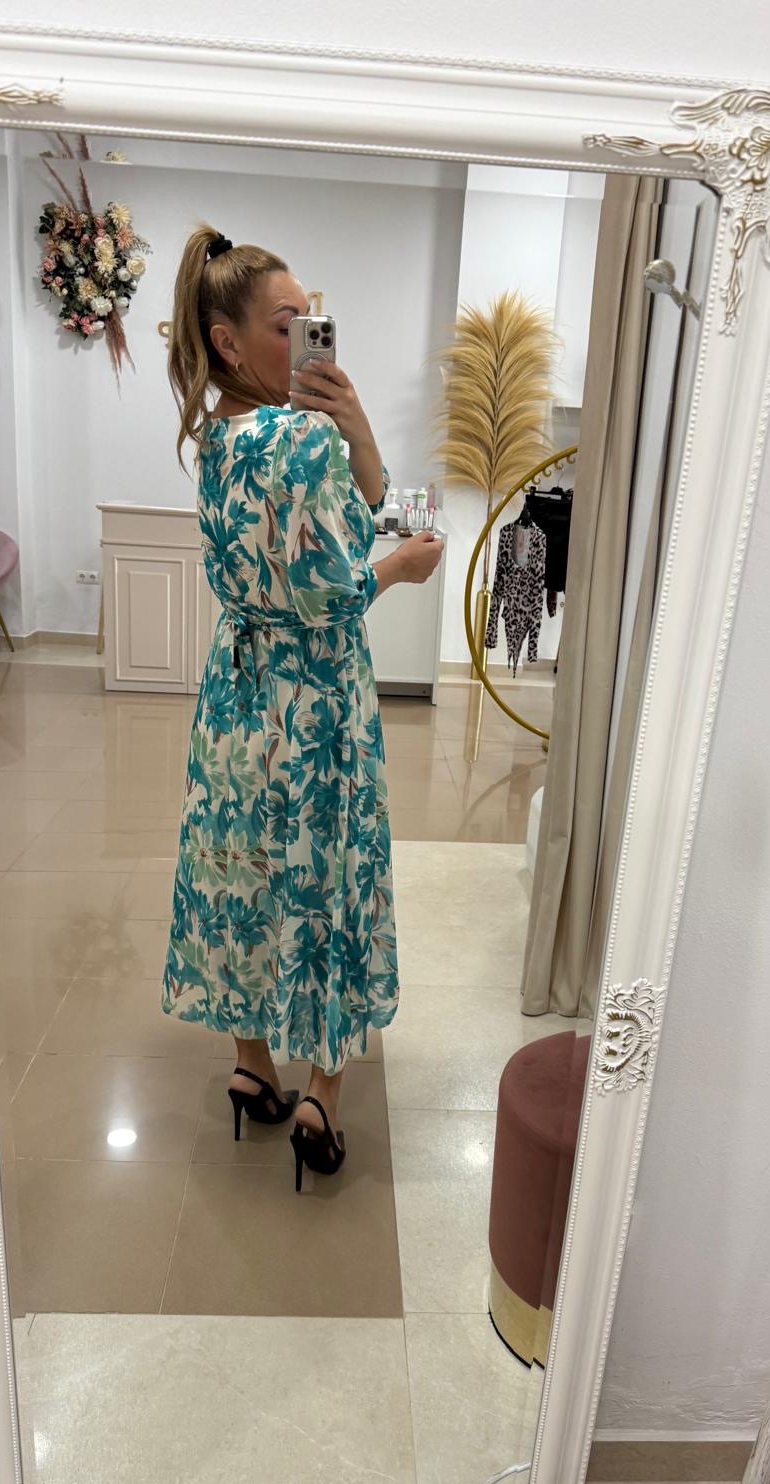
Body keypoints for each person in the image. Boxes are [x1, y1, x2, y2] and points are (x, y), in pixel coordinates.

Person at [161, 225, 443, 1191]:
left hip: (236, 694)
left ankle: (252, 1067)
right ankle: (320, 1097)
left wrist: (353, 428)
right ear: (228, 340)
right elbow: (337, 580)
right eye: (286, 324)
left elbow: (303, 546)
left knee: (241, 872)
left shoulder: (214, 438)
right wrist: (398, 566)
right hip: (315, 705)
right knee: (326, 880)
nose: (307, 338)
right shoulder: (305, 436)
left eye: (311, 320)